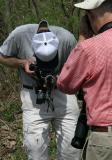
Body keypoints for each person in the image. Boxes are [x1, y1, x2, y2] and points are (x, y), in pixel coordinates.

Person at [0, 20, 81, 160]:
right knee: (35, 149)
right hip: (33, 95)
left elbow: (79, 66)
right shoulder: (20, 35)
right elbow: (2, 56)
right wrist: (23, 62)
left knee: (71, 149)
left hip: (64, 93)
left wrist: (62, 77)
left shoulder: (66, 38)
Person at [57, 0, 112, 160]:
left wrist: (82, 38)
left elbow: (65, 84)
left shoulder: (88, 48)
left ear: (90, 15)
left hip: (105, 138)